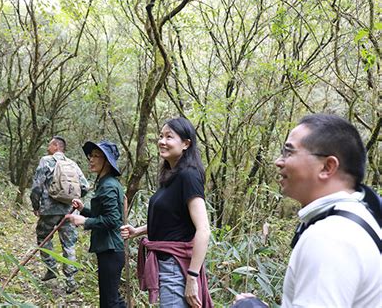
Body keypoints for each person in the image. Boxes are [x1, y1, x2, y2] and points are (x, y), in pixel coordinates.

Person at [234, 113, 381, 307]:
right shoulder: (360, 217)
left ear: (327, 167)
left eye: (289, 152)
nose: (279, 162)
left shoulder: (330, 237)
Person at [120, 117, 213, 308]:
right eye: (161, 136)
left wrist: (192, 277)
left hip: (176, 266)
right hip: (167, 264)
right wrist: (138, 231)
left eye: (169, 137)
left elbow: (203, 229)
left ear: (186, 143)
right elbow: (174, 220)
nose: (162, 141)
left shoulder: (189, 175)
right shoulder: (171, 176)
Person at [65, 140, 126, 308]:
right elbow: (103, 215)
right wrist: (84, 210)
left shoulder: (108, 186)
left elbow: (113, 220)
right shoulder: (106, 183)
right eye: (90, 156)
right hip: (109, 249)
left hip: (111, 250)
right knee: (112, 298)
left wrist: (85, 221)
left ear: (107, 160)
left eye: (96, 156)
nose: (91, 159)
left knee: (109, 301)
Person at [30, 136, 89, 292]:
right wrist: (72, 199)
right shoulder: (73, 164)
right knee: (69, 245)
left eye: (50, 145)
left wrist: (36, 205)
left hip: (48, 211)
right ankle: (71, 282)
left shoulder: (46, 161)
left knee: (43, 237)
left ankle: (51, 268)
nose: (48, 147)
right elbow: (85, 186)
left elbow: (37, 186)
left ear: (56, 146)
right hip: (69, 211)